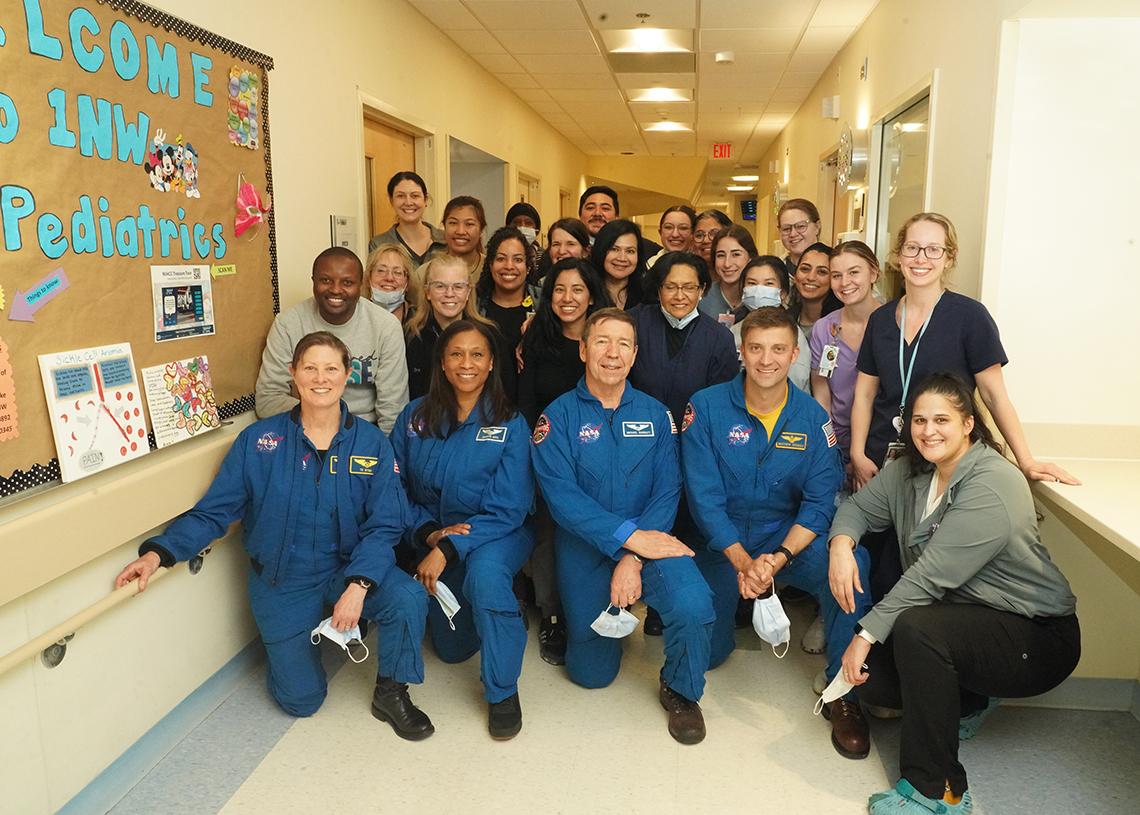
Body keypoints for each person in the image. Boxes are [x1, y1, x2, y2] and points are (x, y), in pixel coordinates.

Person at [116, 332, 434, 740]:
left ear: (347, 374)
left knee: (407, 597)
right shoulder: (259, 442)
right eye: (310, 368)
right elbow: (216, 511)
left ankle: (391, 692)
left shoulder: (371, 443)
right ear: (293, 374)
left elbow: (385, 523)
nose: (321, 378)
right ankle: (299, 639)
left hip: (348, 568)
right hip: (284, 579)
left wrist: (359, 585)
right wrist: (159, 553)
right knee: (301, 701)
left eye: (331, 368)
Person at [828, 372, 1080, 814]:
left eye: (941, 419)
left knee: (917, 630)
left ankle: (936, 790)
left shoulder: (993, 482)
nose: (928, 431)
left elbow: (929, 577)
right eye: (919, 420)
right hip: (967, 624)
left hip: (1036, 635)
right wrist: (841, 546)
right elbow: (857, 508)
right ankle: (971, 700)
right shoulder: (909, 471)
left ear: (968, 424)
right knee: (877, 680)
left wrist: (863, 636)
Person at [681, 306, 872, 758]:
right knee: (712, 654)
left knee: (853, 565)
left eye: (778, 349)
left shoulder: (812, 418)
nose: (767, 360)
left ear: (794, 355)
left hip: (784, 541)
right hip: (721, 542)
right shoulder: (704, 407)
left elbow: (818, 504)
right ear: (742, 351)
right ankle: (730, 614)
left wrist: (777, 559)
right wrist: (742, 562)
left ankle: (841, 692)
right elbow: (704, 499)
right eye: (756, 348)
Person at [531, 308, 716, 745]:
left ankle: (681, 690)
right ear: (583, 350)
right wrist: (627, 541)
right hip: (585, 550)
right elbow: (563, 500)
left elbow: (668, 490)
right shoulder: (556, 418)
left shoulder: (656, 416)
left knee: (694, 603)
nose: (612, 353)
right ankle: (601, 625)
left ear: (634, 355)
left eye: (623, 345)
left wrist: (633, 556)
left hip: (650, 543)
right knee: (590, 676)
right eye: (602, 341)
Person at [849, 212, 1078, 493]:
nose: (921, 258)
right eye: (912, 248)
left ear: (949, 258)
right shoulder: (880, 320)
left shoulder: (970, 317)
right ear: (899, 255)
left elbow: (994, 396)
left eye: (933, 249)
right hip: (881, 461)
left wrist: (1026, 460)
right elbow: (865, 394)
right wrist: (858, 454)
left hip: (945, 462)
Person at [391, 320, 535, 740]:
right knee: (452, 651)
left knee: (486, 579)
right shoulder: (414, 417)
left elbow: (509, 508)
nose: (466, 363)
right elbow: (392, 488)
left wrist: (447, 548)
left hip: (497, 533)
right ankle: (494, 610)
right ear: (442, 362)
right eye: (456, 354)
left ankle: (503, 692)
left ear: (491, 364)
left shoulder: (510, 423)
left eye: (477, 355)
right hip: (432, 533)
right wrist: (428, 534)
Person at [628, 251, 738, 637]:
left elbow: (722, 403)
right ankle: (643, 596)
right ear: (658, 288)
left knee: (689, 525)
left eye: (689, 287)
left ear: (702, 290)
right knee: (647, 519)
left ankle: (675, 604)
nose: (679, 295)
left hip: (696, 449)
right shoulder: (635, 323)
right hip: (639, 448)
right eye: (670, 287)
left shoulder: (718, 337)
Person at [517, 259, 611, 664]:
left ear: (592, 295)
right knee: (548, 534)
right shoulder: (536, 339)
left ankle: (598, 605)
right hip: (548, 454)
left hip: (599, 454)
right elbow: (526, 404)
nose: (567, 298)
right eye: (559, 289)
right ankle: (552, 614)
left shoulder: (608, 339)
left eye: (577, 289)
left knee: (592, 531)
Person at [255, 247, 408, 432]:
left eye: (347, 282)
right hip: (304, 427)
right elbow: (268, 399)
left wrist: (380, 446)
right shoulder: (288, 324)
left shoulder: (386, 326)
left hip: (365, 430)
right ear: (313, 281)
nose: (336, 289)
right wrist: (321, 417)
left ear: (361, 285)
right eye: (326, 280)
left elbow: (393, 408)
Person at [810, 241, 881, 464]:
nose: (844, 282)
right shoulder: (824, 328)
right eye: (836, 275)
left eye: (854, 272)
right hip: (836, 439)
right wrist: (829, 443)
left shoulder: (894, 324)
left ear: (873, 273)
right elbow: (821, 387)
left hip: (880, 438)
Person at [405, 254, 497, 400]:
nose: (449, 294)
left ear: (468, 292)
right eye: (440, 286)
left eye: (458, 287)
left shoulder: (488, 335)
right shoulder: (411, 336)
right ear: (427, 292)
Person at [475, 226, 541, 354]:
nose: (509, 266)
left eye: (518, 260)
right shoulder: (475, 304)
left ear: (528, 267)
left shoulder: (543, 302)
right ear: (491, 265)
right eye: (501, 259)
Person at [368, 171, 447, 265]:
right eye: (400, 196)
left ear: (425, 200)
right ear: (391, 201)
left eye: (415, 196)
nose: (408, 202)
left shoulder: (446, 239)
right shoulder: (379, 244)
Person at [577, 184, 661, 257]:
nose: (597, 213)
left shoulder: (643, 247)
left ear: (616, 216)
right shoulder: (571, 247)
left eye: (605, 208)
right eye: (590, 208)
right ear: (580, 214)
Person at [699, 225, 758, 323]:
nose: (727, 264)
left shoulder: (759, 297)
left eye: (736, 254)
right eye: (721, 255)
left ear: (751, 258)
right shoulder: (701, 297)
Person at [590, 219, 649, 310]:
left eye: (630, 251)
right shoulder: (587, 291)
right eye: (614, 249)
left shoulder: (647, 295)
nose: (622, 258)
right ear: (601, 250)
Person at [789, 241, 842, 334]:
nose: (811, 277)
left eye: (822, 272)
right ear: (795, 274)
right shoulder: (785, 319)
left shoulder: (842, 322)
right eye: (805, 269)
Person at [366, 241, 418, 324]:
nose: (389, 278)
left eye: (397, 272)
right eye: (381, 271)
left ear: (407, 282)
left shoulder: (421, 322)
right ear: (369, 278)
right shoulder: (355, 317)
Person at [441, 195, 487, 281]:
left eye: (469, 224)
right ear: (444, 226)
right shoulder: (425, 272)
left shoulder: (493, 269)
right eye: (453, 223)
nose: (460, 231)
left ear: (481, 229)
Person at [777, 197, 822, 277]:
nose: (793, 234)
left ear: (817, 226)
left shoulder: (834, 267)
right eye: (786, 229)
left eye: (800, 226)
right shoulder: (774, 271)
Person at [506, 201, 542, 279]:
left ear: (536, 229)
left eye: (528, 223)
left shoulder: (544, 257)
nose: (522, 226)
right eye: (517, 223)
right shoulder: (501, 255)